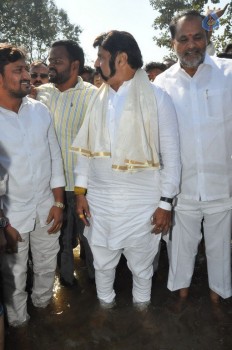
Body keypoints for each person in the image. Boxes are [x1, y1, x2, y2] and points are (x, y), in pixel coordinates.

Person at [71, 30, 180, 309]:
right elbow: (86, 154)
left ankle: (142, 316)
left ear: (120, 59)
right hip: (100, 202)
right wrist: (80, 193)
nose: (96, 63)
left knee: (142, 268)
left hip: (143, 204)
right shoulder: (98, 99)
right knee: (103, 265)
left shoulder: (158, 99)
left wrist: (165, 203)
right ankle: (105, 310)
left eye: (101, 57)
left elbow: (171, 156)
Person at [155, 10, 232, 303]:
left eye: (197, 37)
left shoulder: (228, 73)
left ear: (207, 37)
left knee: (221, 253)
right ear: (172, 43)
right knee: (179, 253)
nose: (191, 45)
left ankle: (218, 302)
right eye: (183, 39)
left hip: (223, 187)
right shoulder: (161, 84)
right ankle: (180, 301)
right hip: (181, 191)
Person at [0, 43, 65, 327]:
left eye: (26, 68)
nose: (27, 75)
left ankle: (44, 311)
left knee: (46, 266)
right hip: (11, 218)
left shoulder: (40, 110)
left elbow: (55, 158)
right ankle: (20, 326)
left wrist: (59, 203)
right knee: (13, 279)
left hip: (47, 208)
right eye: (18, 70)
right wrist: (2, 224)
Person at [36, 40, 97, 286]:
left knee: (92, 241)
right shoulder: (40, 94)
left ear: (75, 65)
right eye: (50, 60)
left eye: (57, 61)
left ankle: (97, 286)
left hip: (86, 188)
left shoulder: (93, 96)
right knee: (60, 242)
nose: (51, 66)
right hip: (53, 187)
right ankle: (67, 286)